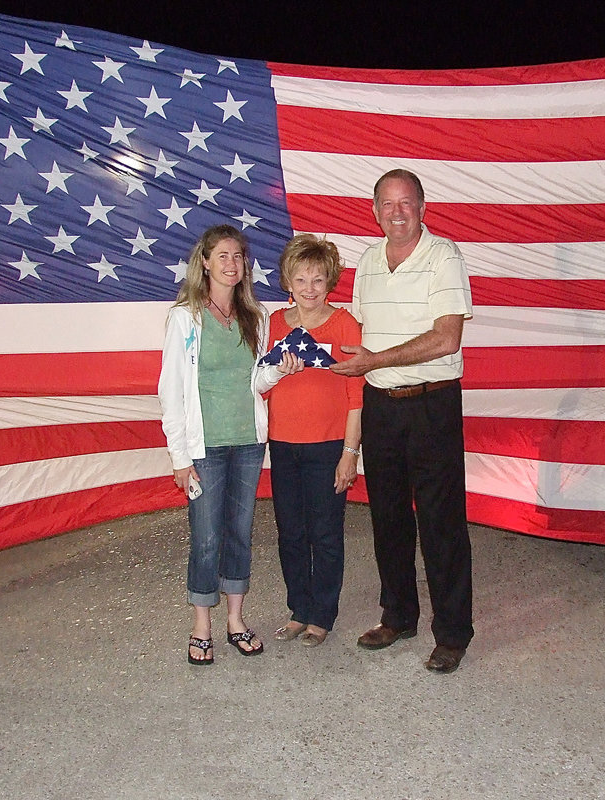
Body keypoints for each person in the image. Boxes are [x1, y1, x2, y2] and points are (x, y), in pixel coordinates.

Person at [330, 169, 474, 674]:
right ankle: (398, 615)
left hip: (431, 404)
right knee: (387, 517)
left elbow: (446, 339)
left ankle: (453, 632)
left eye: (406, 203)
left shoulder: (444, 257)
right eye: (387, 204)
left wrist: (374, 362)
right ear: (373, 210)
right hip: (381, 407)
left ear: (423, 208)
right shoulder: (368, 262)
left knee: (441, 521)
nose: (397, 212)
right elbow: (358, 332)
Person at [158, 224, 298, 666]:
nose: (231, 263)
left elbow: (256, 379)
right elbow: (170, 391)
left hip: (248, 443)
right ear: (204, 261)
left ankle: (236, 620)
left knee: (240, 534)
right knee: (206, 537)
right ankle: (202, 626)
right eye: (222, 255)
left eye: (238, 255)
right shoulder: (184, 318)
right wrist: (180, 457)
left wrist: (279, 372)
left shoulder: (255, 316)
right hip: (205, 448)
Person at [264, 234, 364, 647]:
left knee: (324, 532)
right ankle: (298, 609)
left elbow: (356, 397)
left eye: (317, 280)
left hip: (328, 447)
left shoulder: (344, 324)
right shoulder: (271, 324)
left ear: (330, 282)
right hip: (283, 445)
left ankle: (322, 614)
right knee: (290, 531)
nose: (309, 288)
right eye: (301, 279)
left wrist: (349, 454)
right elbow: (259, 385)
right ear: (288, 281)